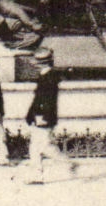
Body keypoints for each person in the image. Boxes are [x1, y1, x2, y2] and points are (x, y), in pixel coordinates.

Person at [23, 47, 77, 184]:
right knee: (35, 147)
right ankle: (36, 175)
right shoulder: (47, 76)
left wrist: (41, 117)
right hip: (41, 116)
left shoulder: (49, 78)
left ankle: (66, 163)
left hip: (43, 117)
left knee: (44, 147)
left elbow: (47, 100)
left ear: (41, 63)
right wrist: (31, 115)